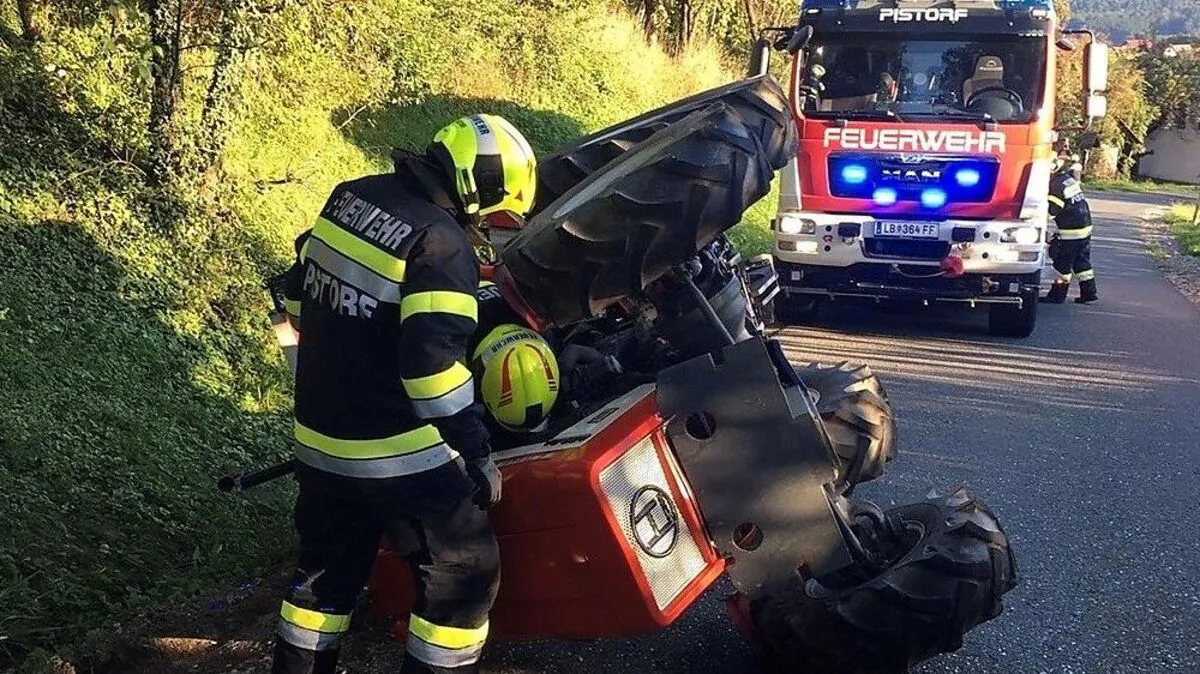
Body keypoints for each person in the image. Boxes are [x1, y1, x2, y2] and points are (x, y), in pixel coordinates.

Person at [272, 113, 539, 674]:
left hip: (319, 442)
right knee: (464, 572)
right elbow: (431, 372)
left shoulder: (350, 197)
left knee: (323, 582)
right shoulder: (441, 246)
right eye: (499, 209)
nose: (494, 224)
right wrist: (478, 451)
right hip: (392, 452)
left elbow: (298, 304)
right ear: (480, 187)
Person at [1042, 153, 1097, 304]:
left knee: (1062, 263)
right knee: (1081, 262)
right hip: (1084, 227)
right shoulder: (1066, 179)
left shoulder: (1055, 185)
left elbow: (1052, 210)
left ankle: (1057, 295)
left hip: (1071, 231)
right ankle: (1089, 292)